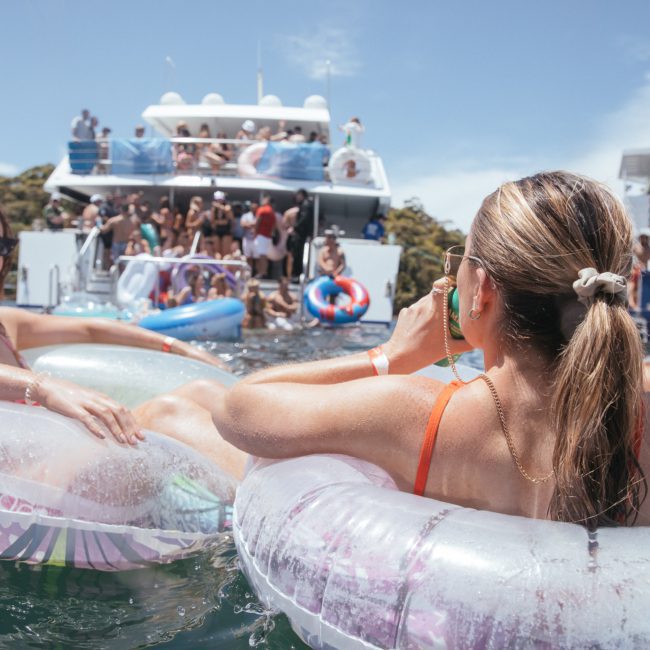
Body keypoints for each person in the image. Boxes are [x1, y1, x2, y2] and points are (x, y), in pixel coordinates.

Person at [202, 171, 650, 527]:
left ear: (480, 291)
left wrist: (392, 357)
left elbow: (236, 407)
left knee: (193, 397)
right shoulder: (641, 411)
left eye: (462, 262)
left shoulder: (412, 412)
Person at [0, 206, 238, 476]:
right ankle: (274, 508)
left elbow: (92, 329)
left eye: (1, 245)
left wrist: (178, 346)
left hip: (57, 454)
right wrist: (42, 386)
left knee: (203, 390)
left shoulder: (5, 325)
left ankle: (282, 481)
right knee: (165, 412)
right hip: (26, 481)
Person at [254, 194, 276, 278]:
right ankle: (264, 272)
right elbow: (274, 226)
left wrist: (255, 234)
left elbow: (257, 222)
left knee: (261, 255)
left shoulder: (262, 209)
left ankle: (261, 272)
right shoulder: (272, 212)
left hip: (261, 236)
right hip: (268, 237)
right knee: (264, 255)